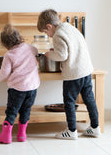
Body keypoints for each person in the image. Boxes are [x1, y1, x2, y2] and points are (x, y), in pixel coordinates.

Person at [37, 9, 100, 140]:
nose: (47, 35)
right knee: (89, 99)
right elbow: (71, 47)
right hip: (85, 70)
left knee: (69, 102)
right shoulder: (69, 27)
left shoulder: (57, 35)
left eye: (45, 32)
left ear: (49, 26)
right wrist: (57, 50)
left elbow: (62, 55)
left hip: (73, 74)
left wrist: (49, 54)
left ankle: (71, 130)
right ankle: (95, 127)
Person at [0, 24, 40, 144]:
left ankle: (6, 136)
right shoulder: (30, 48)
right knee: (26, 110)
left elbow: (4, 72)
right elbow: (36, 51)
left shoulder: (9, 55)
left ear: (6, 45)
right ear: (20, 37)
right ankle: (22, 135)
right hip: (32, 88)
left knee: (12, 111)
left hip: (17, 89)